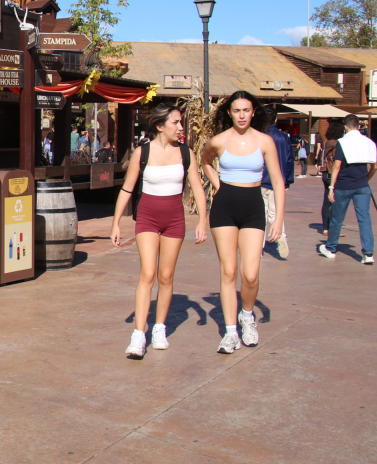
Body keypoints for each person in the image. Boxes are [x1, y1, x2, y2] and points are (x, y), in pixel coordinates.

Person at [112, 104, 209, 358]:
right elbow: (127, 188)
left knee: (166, 276)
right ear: (159, 126)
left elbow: (198, 187)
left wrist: (203, 220)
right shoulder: (141, 153)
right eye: (176, 123)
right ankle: (138, 334)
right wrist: (116, 222)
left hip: (175, 221)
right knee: (148, 273)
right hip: (147, 218)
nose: (180, 127)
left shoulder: (186, 153)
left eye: (180, 122)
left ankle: (159, 328)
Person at [201, 91, 286, 354]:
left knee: (250, 274)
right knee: (229, 272)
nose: (241, 115)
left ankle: (247, 316)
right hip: (224, 209)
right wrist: (219, 186)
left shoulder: (265, 142)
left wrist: (279, 219)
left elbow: (279, 181)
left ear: (253, 112)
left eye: (246, 110)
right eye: (237, 110)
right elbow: (204, 162)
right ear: (229, 112)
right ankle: (229, 332)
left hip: (253, 209)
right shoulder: (218, 141)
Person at [319, 115, 377, 263]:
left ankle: (331, 248)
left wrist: (331, 187)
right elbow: (374, 166)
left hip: (343, 185)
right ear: (358, 126)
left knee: (337, 219)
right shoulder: (369, 142)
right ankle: (368, 254)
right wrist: (367, 178)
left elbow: (337, 166)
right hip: (362, 185)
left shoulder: (343, 142)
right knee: (364, 219)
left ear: (345, 127)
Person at [259, 105, 294, 258]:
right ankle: (281, 237)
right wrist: (287, 181)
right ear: (276, 119)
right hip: (277, 181)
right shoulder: (283, 137)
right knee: (275, 213)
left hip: (259, 180)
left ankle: (258, 245)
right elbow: (289, 160)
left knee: (260, 214)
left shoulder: (258, 136)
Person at [319, 123, 345, 236]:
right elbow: (337, 162)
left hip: (325, 173)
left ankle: (325, 228)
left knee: (326, 202)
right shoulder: (339, 144)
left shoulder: (326, 143)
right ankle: (333, 228)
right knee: (336, 202)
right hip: (334, 174)